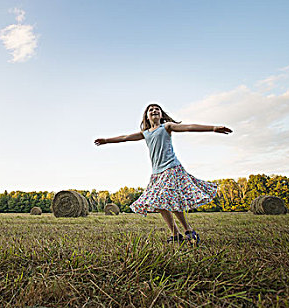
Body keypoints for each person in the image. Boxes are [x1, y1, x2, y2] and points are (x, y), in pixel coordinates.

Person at [94, 103, 232, 245]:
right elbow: (125, 137)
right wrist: (106, 140)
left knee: (169, 200)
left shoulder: (166, 127)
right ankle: (175, 234)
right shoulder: (145, 133)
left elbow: (189, 127)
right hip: (157, 174)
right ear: (147, 117)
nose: (154, 111)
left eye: (157, 109)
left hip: (172, 168)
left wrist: (214, 128)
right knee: (159, 202)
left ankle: (189, 231)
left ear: (161, 115)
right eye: (151, 110)